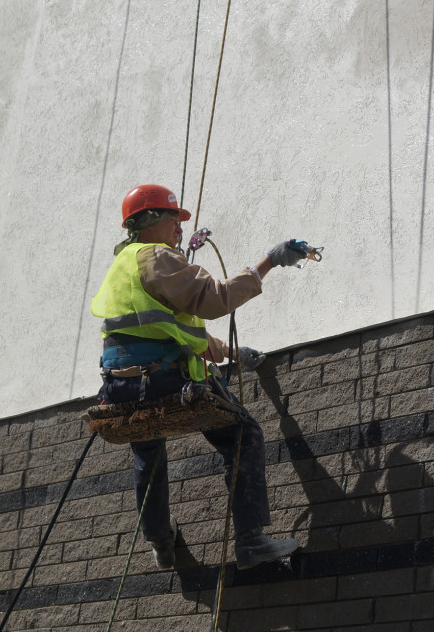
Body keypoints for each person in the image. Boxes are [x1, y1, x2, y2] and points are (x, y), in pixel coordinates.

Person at [90, 183, 306, 570]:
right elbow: (216, 299)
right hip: (162, 380)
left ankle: (159, 538)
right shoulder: (156, 256)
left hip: (123, 386)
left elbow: (175, 333)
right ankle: (251, 541)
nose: (179, 229)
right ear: (153, 219)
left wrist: (233, 354)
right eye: (175, 218)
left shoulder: (122, 266)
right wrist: (269, 261)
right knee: (243, 434)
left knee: (147, 448)